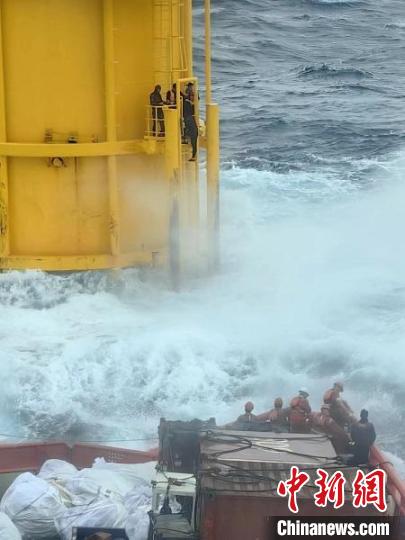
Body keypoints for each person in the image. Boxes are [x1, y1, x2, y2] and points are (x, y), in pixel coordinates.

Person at [183, 82, 198, 161]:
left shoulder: (188, 101)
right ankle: (193, 155)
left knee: (193, 139)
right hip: (188, 118)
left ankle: (194, 155)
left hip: (189, 118)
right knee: (193, 138)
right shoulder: (187, 101)